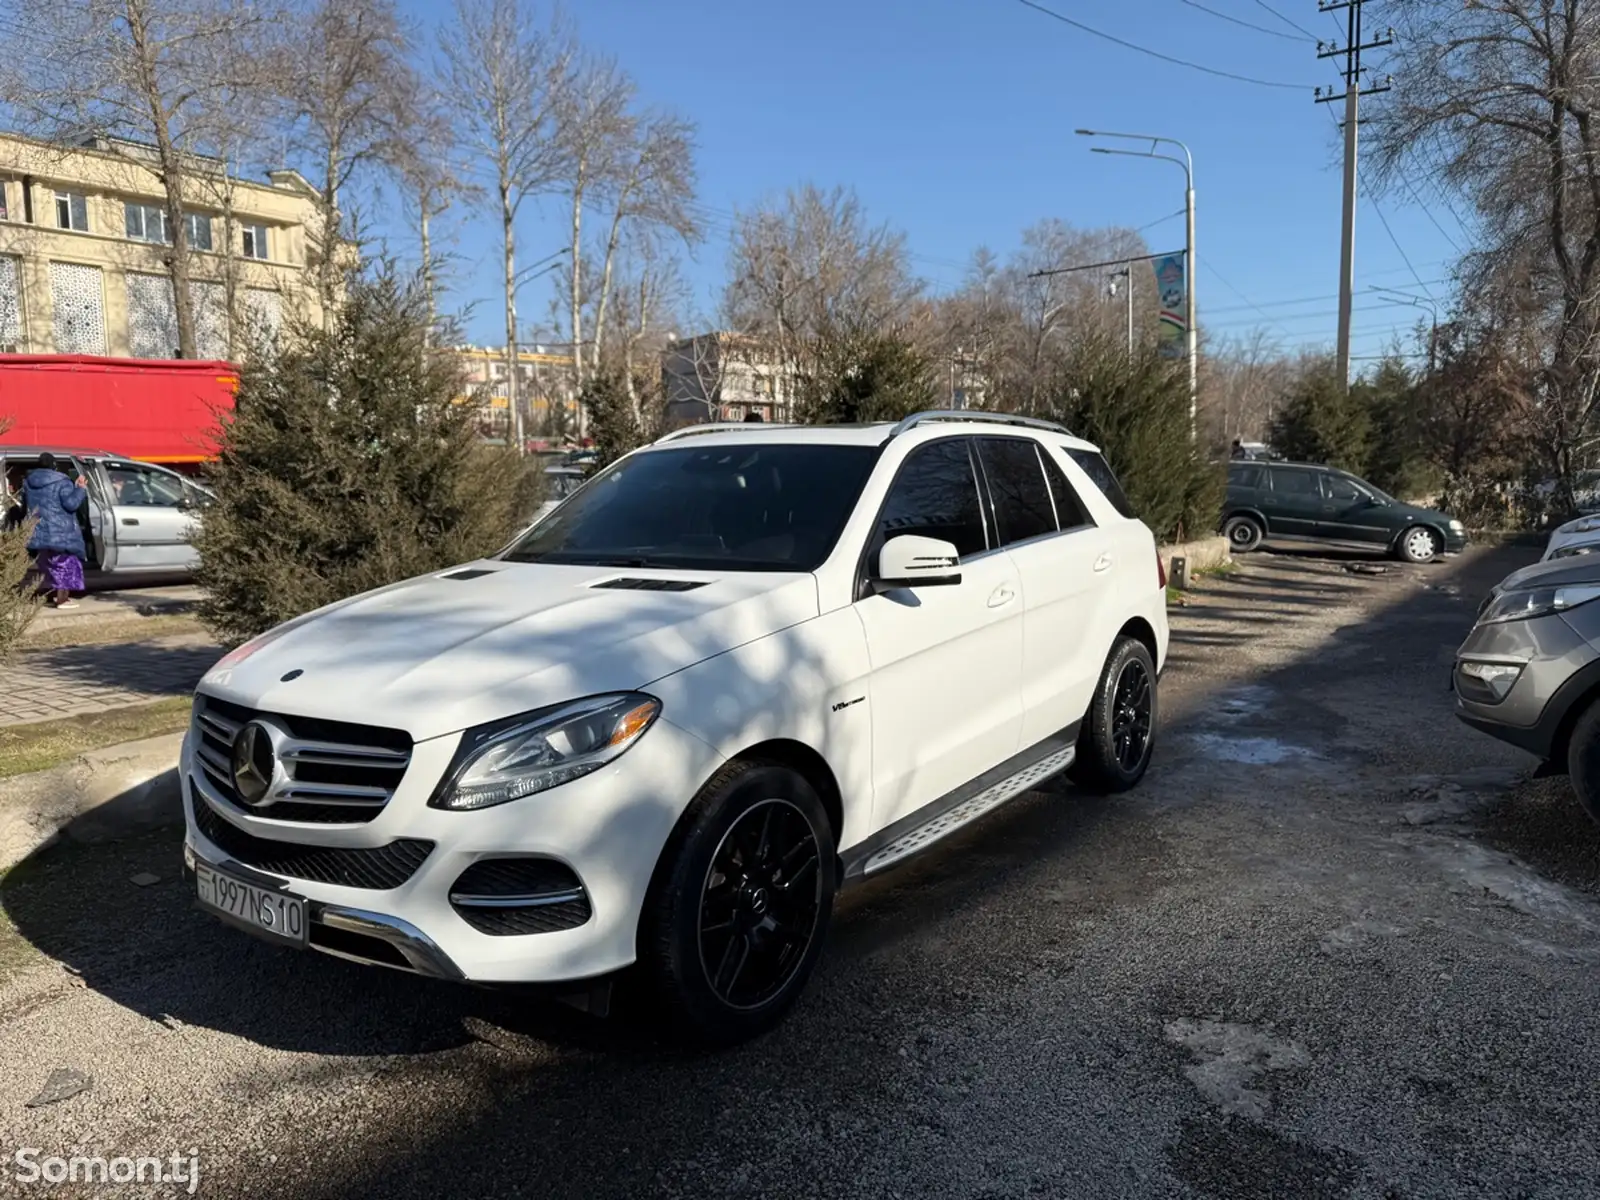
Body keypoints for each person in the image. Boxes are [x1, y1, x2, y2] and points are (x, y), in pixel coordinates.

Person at [22, 454, 88, 610]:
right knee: (66, 564)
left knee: (50, 565)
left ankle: (56, 596)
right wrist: (80, 489)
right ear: (54, 465)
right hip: (61, 532)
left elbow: (25, 506)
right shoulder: (62, 482)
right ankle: (62, 600)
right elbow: (71, 504)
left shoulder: (28, 483)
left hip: (38, 531)